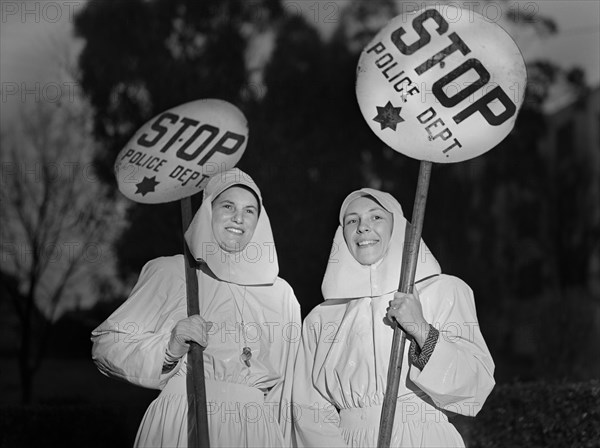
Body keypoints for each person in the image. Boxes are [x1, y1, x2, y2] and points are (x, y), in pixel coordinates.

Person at [91, 168, 301, 448]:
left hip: (256, 432)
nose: (239, 217)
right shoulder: (172, 272)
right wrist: (168, 348)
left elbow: (289, 390)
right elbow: (106, 345)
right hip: (182, 419)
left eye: (250, 211)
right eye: (228, 206)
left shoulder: (280, 295)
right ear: (207, 211)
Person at [292, 188, 495, 447]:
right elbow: (309, 411)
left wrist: (422, 330)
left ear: (397, 227)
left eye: (376, 217)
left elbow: (474, 389)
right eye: (352, 220)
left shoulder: (444, 291)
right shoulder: (320, 320)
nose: (363, 227)